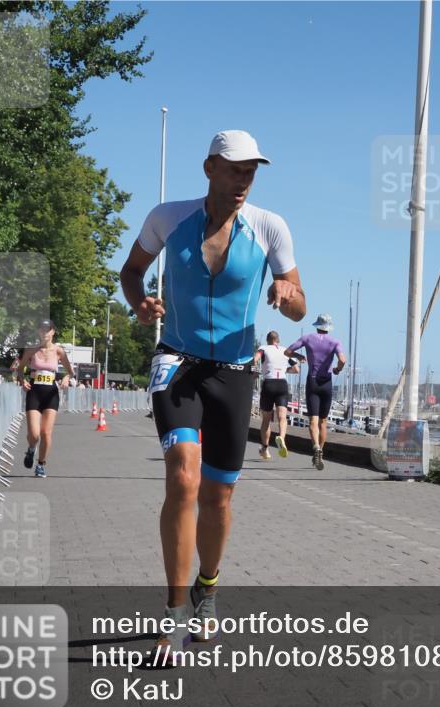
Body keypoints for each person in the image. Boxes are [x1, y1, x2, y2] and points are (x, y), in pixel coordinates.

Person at [120, 129, 305, 653]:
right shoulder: (167, 218)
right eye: (235, 169)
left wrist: (288, 295)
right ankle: (174, 612)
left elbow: (298, 303)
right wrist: (139, 303)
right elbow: (131, 271)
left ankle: (209, 587)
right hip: (176, 362)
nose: (244, 179)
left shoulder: (270, 227)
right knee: (183, 476)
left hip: (234, 373)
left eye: (251, 171)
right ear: (209, 168)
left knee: (218, 498)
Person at [286, 314, 345, 471]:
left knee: (313, 421)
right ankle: (321, 451)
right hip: (326, 383)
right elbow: (343, 359)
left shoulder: (307, 338)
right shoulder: (335, 342)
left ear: (317, 325)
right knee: (323, 422)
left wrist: (299, 356)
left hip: (312, 381)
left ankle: (316, 447)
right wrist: (337, 369)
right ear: (329, 327)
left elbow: (288, 351)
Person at [16, 320, 74, 478]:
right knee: (34, 434)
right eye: (42, 330)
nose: (45, 333)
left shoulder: (59, 351)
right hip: (34, 392)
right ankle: (31, 449)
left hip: (51, 393)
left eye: (48, 330)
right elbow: (20, 369)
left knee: (46, 433)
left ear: (53, 332)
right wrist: (22, 380)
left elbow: (70, 371)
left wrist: (66, 378)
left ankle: (41, 464)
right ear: (38, 332)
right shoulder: (31, 350)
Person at [253, 331, 299, 460]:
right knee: (282, 417)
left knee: (266, 419)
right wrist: (285, 370)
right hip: (282, 385)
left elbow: (254, 360)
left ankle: (265, 449)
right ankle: (282, 438)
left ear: (268, 340)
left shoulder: (263, 348)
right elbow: (296, 369)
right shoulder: (285, 351)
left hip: (269, 383)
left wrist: (254, 372)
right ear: (278, 340)